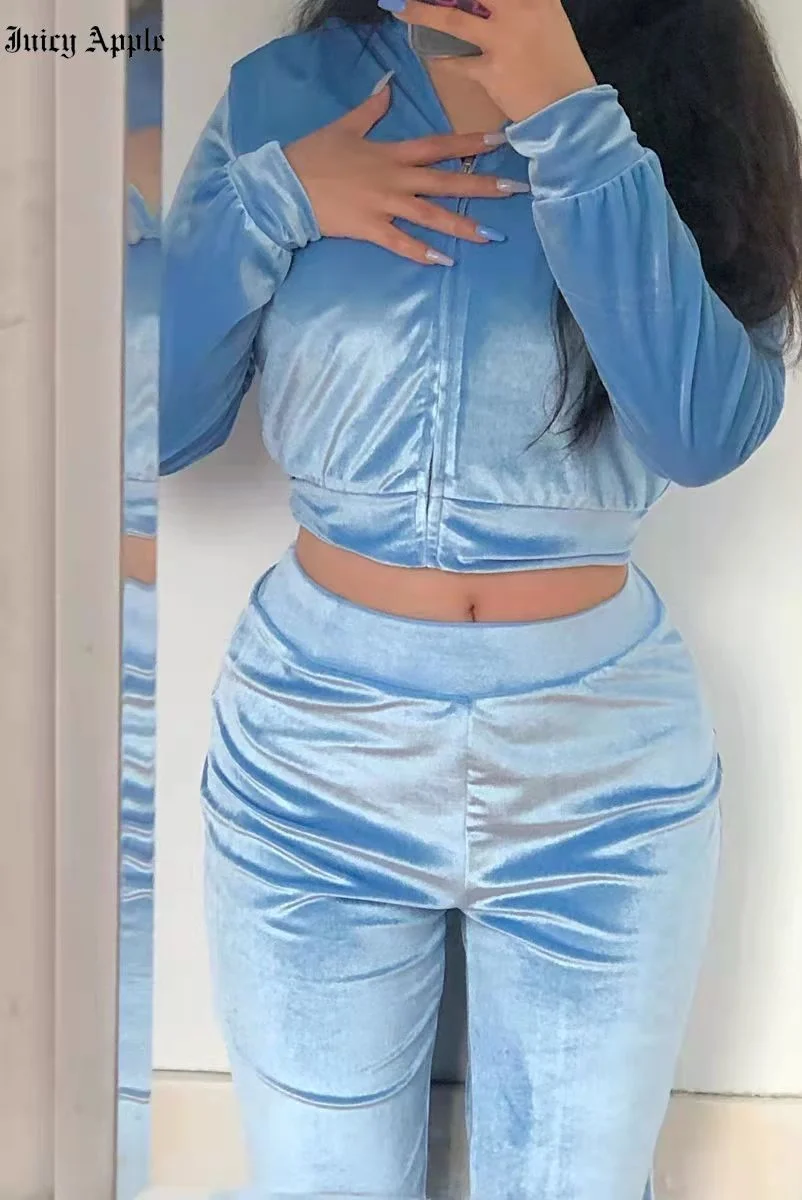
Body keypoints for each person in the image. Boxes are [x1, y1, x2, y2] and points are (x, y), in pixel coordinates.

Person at [159, 1, 802, 1196]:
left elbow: (706, 430)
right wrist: (270, 202)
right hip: (312, 757)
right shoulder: (288, 93)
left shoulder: (695, 96)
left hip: (598, 772)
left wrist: (571, 117)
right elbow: (150, 421)